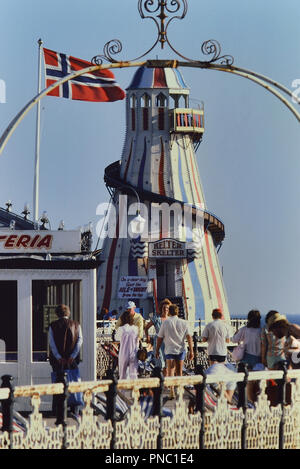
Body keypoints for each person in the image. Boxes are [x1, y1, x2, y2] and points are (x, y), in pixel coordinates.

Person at [48, 304, 83, 417]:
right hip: (72, 360)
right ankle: (75, 409)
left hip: (58, 361)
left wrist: (59, 357)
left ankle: (58, 410)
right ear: (68, 313)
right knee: (73, 382)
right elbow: (79, 341)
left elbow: (52, 343)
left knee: (58, 385)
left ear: (57, 314)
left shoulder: (53, 326)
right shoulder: (76, 325)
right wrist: (72, 356)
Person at [155, 304, 194, 398]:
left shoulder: (166, 322)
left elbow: (160, 337)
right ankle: (179, 390)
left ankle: (172, 390)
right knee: (179, 371)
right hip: (180, 350)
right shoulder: (184, 322)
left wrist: (157, 350)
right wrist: (191, 351)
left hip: (169, 350)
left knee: (170, 371)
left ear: (170, 312)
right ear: (177, 312)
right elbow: (189, 337)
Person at [145, 298, 171, 374]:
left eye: (167, 308)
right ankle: (161, 380)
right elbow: (146, 328)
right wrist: (148, 337)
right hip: (159, 343)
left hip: (168, 343)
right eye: (164, 307)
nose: (166, 309)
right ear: (161, 308)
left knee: (168, 364)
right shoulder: (157, 318)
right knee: (160, 363)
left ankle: (166, 382)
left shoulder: (171, 319)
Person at [115, 310, 139, 380]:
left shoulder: (121, 329)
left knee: (122, 374)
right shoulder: (136, 329)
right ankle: (134, 388)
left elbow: (116, 338)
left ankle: (123, 390)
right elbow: (137, 340)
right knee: (133, 374)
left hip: (123, 353)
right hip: (133, 353)